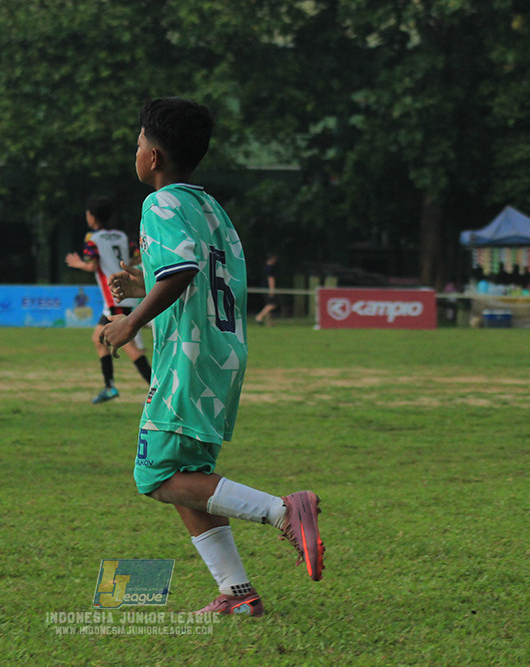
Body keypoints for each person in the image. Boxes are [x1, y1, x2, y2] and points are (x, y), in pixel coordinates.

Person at [100, 97, 324, 617]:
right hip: (221, 353)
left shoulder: (160, 204)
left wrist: (131, 321)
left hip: (188, 355)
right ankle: (237, 594)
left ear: (153, 156)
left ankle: (282, 510)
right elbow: (202, 270)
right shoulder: (208, 206)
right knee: (191, 478)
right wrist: (141, 280)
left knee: (155, 477)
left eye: (137, 143)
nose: (134, 152)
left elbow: (181, 272)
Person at [66, 195, 152, 404]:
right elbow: (137, 255)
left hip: (115, 298)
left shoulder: (92, 239)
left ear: (91, 216)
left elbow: (92, 265)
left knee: (131, 348)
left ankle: (157, 391)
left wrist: (77, 263)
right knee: (98, 340)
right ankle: (110, 387)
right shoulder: (121, 236)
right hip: (124, 296)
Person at [255, 253, 279, 326]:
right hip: (268, 288)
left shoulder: (265, 267)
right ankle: (259, 316)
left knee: (268, 304)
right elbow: (271, 279)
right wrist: (272, 290)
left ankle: (269, 323)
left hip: (264, 287)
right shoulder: (270, 268)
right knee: (272, 305)